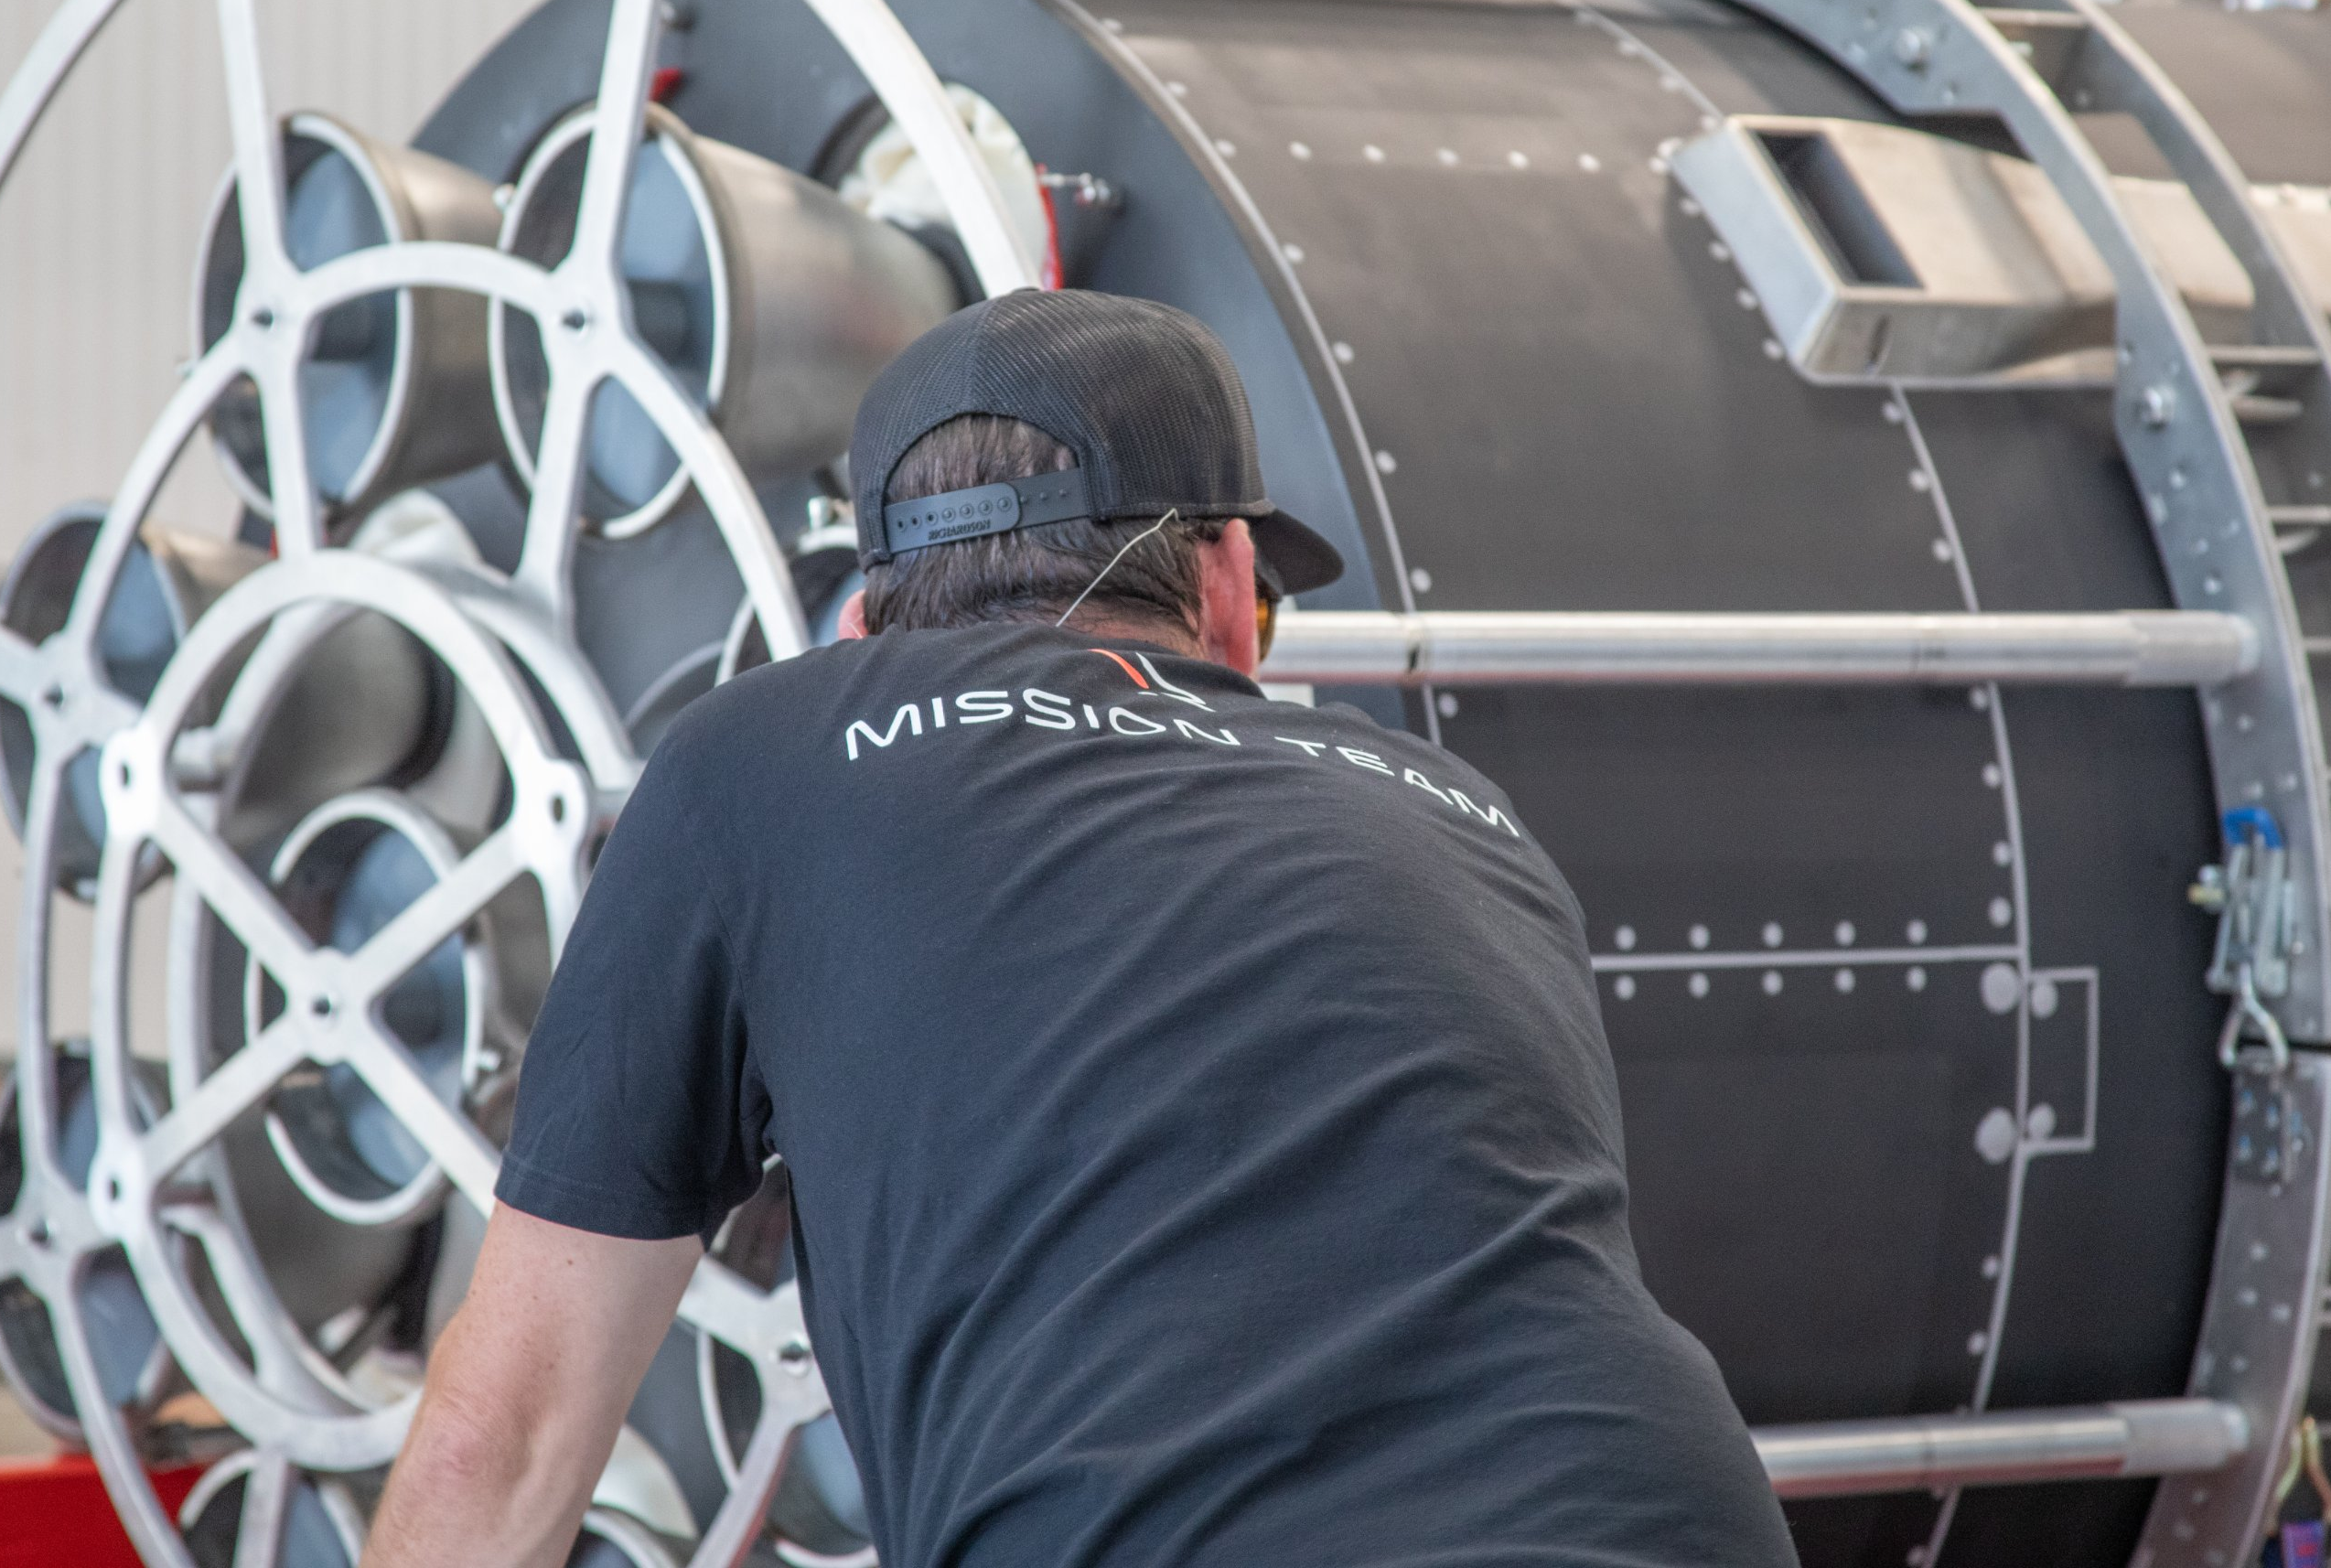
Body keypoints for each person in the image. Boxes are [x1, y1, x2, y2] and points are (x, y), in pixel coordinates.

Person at [366, 289, 1795, 1567]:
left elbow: (511, 1436)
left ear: (863, 623)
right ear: (1230, 591)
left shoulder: (765, 752)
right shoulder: (1454, 808)